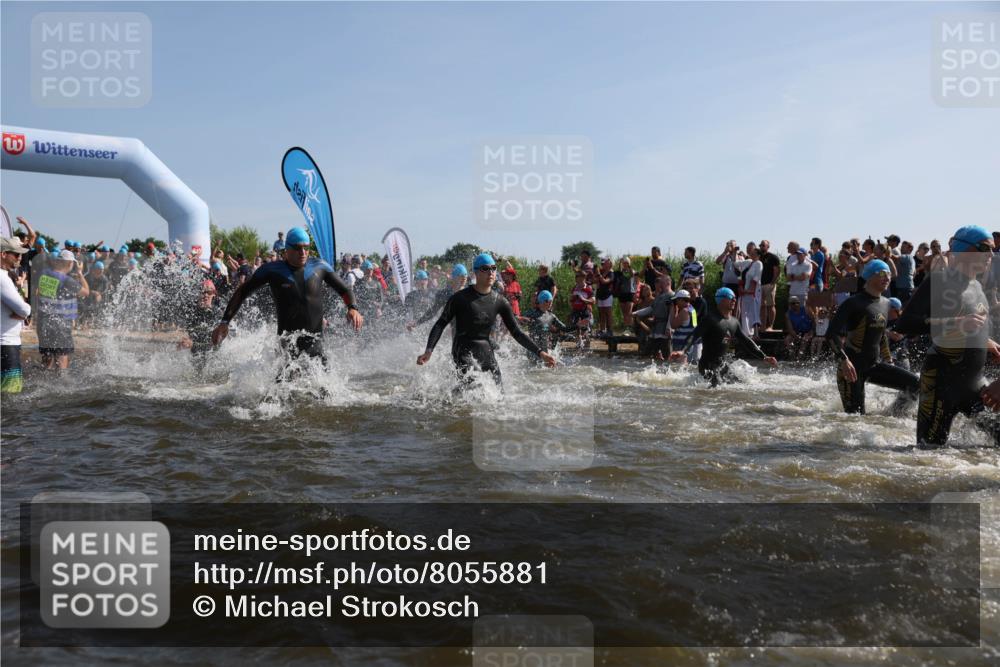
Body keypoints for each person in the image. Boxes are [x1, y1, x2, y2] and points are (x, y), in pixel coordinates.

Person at [895, 225, 1000, 447]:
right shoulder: (939, 280)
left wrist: (984, 341)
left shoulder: (977, 287)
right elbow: (905, 324)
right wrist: (955, 323)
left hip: (975, 384)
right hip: (940, 383)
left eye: (992, 249)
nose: (991, 254)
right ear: (963, 250)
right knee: (928, 455)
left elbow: (969, 326)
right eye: (984, 248)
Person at [212, 227, 363, 363]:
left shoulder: (319, 266)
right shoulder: (271, 270)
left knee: (325, 391)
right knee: (282, 391)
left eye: (306, 247)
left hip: (315, 343)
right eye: (297, 248)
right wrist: (225, 321)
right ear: (286, 250)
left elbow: (345, 289)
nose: (303, 252)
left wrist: (352, 307)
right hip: (287, 344)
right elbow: (242, 292)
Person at [416, 253, 555, 389]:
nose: (491, 272)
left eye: (493, 268)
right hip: (462, 351)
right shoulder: (459, 298)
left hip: (486, 350)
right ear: (476, 272)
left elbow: (517, 332)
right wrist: (429, 351)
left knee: (499, 395)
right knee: (471, 391)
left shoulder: (499, 301)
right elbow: (440, 324)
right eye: (485, 268)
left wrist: (540, 353)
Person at [825, 260, 919, 416]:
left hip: (873, 366)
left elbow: (880, 334)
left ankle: (894, 414)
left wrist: (888, 360)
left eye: (889, 274)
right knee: (855, 418)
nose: (887, 277)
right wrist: (843, 360)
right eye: (882, 273)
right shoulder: (852, 302)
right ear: (869, 276)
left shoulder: (886, 303)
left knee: (916, 385)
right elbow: (831, 334)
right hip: (850, 369)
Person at [670, 287, 777, 386]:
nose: (734, 300)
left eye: (735, 298)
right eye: (731, 298)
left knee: (743, 385)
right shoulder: (710, 319)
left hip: (722, 365)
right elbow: (694, 335)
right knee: (717, 390)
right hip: (708, 366)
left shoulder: (734, 322)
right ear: (720, 300)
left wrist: (764, 357)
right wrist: (683, 351)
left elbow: (746, 341)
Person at [35, 249, 89, 370]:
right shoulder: (67, 280)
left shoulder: (44, 274)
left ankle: (43, 381)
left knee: (47, 355)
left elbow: (41, 294)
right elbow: (86, 292)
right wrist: (80, 274)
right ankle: (61, 384)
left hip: (43, 321)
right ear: (70, 263)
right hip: (61, 324)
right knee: (62, 355)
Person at [1, 237, 31, 393]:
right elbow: (24, 309)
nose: (20, 258)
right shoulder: (2, 278)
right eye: (16, 254)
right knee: (10, 393)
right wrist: (25, 311)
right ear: (4, 254)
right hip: (6, 344)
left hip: (5, 342)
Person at [178, 280, 221, 372]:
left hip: (214, 363)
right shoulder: (191, 313)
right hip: (196, 359)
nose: (205, 295)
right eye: (202, 292)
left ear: (214, 294)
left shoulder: (217, 315)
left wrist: (193, 345)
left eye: (209, 292)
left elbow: (215, 346)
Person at [519, 290, 573, 355]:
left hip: (544, 350)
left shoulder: (551, 316)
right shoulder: (531, 313)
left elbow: (564, 328)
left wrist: (577, 326)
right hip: (533, 350)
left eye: (551, 301)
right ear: (542, 302)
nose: (550, 303)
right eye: (548, 301)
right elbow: (518, 322)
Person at [633, 278, 675, 361]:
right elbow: (651, 308)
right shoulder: (659, 296)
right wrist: (636, 313)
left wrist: (669, 327)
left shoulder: (672, 296)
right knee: (647, 355)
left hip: (664, 330)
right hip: (655, 330)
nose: (659, 285)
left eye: (661, 283)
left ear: (667, 283)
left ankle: (667, 372)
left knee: (667, 356)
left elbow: (672, 312)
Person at [569, 270, 595, 348]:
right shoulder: (574, 288)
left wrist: (584, 299)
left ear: (584, 278)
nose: (577, 279)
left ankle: (587, 342)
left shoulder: (588, 288)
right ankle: (578, 344)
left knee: (584, 328)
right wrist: (572, 300)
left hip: (584, 310)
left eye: (579, 277)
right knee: (576, 326)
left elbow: (593, 301)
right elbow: (570, 300)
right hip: (575, 310)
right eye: (576, 277)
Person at [758, 239, 781, 331]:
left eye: (763, 245)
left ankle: (770, 326)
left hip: (769, 284)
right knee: (762, 306)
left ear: (768, 246)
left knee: (770, 305)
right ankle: (763, 326)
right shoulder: (758, 257)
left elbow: (777, 271)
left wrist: (773, 282)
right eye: (760, 245)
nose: (761, 247)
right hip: (760, 285)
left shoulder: (773, 257)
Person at [783, 296, 813, 360]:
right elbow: (790, 329)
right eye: (793, 303)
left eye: (797, 303)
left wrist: (811, 332)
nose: (795, 304)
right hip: (796, 332)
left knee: (805, 340)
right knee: (787, 340)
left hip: (808, 331)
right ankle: (792, 357)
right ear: (790, 305)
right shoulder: (788, 314)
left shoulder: (806, 309)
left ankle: (799, 358)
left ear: (799, 303)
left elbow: (814, 321)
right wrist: (796, 336)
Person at [594, 257, 614, 338]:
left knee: (608, 313)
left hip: (607, 295)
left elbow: (604, 281)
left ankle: (610, 331)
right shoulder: (601, 272)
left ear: (609, 264)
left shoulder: (611, 273)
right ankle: (602, 330)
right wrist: (596, 273)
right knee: (601, 314)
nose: (603, 264)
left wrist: (598, 274)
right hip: (600, 295)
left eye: (605, 263)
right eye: (603, 263)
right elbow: (594, 281)